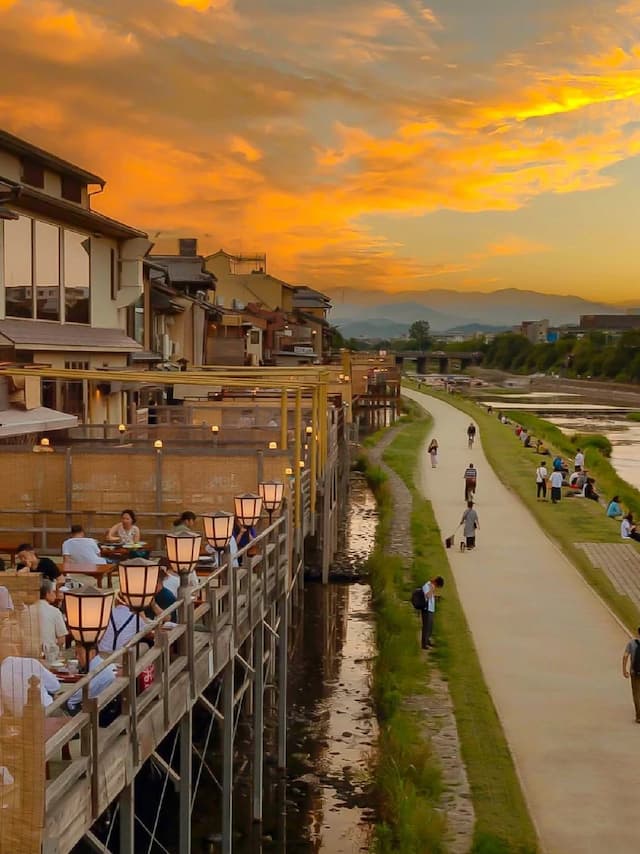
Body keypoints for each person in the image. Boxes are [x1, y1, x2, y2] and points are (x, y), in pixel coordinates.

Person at [0, 647, 60, 715]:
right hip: (46, 713)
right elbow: (55, 687)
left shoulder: (3, 669)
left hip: (18, 719)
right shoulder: (32, 662)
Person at [67, 645, 118, 712]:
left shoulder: (95, 673)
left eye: (79, 654)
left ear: (92, 653)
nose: (77, 657)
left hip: (98, 712)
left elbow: (72, 699)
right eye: (76, 654)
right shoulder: (102, 663)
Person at [34, 579, 67, 650]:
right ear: (47, 593)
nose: (55, 594)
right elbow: (61, 639)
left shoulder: (27, 610)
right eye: (53, 591)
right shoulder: (55, 611)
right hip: (49, 653)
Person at [421, 576, 445, 649]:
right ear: (435, 582)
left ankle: (428, 641)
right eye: (437, 585)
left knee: (430, 627)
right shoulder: (426, 586)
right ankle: (424, 644)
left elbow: (431, 596)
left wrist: (436, 597)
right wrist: (432, 589)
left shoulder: (431, 587)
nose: (436, 587)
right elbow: (427, 596)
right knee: (426, 627)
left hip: (431, 609)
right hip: (426, 609)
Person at [622, 626, 640, 723]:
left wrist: (624, 669)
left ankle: (639, 716)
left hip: (634, 672)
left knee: (636, 694)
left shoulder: (632, 643)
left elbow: (625, 656)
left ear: (638, 632)